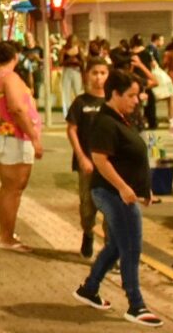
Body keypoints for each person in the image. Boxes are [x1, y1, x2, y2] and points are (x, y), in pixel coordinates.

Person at [71, 69, 164, 327]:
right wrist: (123, 188)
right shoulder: (105, 122)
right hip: (113, 195)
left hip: (122, 193)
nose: (137, 100)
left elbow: (128, 158)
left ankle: (89, 289)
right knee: (131, 248)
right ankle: (136, 304)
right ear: (115, 94)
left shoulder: (120, 118)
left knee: (116, 246)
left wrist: (143, 188)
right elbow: (100, 159)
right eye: (132, 95)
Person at [0, 39, 42, 251]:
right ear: (16, 56)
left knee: (7, 187)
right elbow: (17, 108)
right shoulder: (9, 77)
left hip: (0, 135)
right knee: (14, 188)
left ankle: (5, 233)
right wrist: (34, 136)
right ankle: (7, 237)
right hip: (12, 137)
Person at [65, 56, 109, 259]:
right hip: (88, 164)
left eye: (103, 73)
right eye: (95, 73)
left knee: (112, 209)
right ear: (86, 75)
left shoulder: (113, 100)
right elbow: (72, 129)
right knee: (87, 207)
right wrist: (81, 157)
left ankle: (111, 249)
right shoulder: (80, 102)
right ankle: (88, 233)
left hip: (110, 165)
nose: (99, 77)